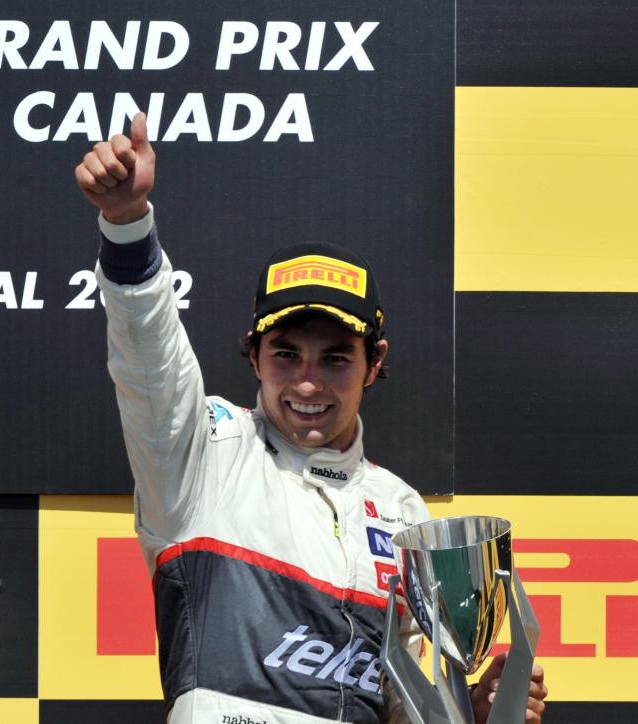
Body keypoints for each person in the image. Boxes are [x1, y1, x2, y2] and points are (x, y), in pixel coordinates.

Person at [75, 112, 548, 724]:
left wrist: (473, 710)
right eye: (285, 354)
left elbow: (400, 708)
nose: (307, 382)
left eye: (335, 358)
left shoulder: (402, 508)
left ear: (375, 362)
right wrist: (126, 223)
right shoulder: (203, 454)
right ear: (253, 356)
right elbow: (149, 357)